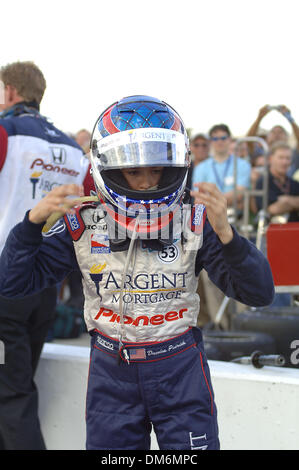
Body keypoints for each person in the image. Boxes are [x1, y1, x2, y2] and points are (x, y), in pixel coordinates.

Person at [0, 95, 274, 450]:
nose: (146, 182)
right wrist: (30, 226)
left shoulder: (196, 220)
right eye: (134, 170)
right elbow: (12, 283)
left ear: (176, 166)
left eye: (156, 169)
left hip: (180, 367)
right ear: (109, 167)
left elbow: (259, 294)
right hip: (111, 371)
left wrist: (229, 236)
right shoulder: (81, 224)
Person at [0, 61, 90, 450]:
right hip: (44, 290)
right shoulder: (74, 149)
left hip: (5, 284)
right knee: (14, 387)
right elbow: (89, 211)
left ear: (9, 92)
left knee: (10, 395)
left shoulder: (5, 132)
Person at [192, 124, 251, 209]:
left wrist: (211, 200)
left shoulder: (243, 165)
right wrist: (227, 199)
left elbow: (239, 194)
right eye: (215, 139)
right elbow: (198, 197)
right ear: (211, 142)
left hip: (235, 217)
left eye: (223, 138)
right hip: (209, 216)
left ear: (230, 139)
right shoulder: (201, 167)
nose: (219, 141)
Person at [247, 105, 299, 176]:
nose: (277, 134)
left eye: (281, 132)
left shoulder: (291, 154)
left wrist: (290, 119)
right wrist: (259, 117)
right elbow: (249, 140)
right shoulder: (260, 152)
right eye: (273, 132)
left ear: (287, 138)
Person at [255, 142, 299, 223]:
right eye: (281, 158)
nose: (285, 162)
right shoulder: (263, 182)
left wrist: (285, 200)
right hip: (270, 231)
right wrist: (294, 203)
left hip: (294, 230)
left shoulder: (294, 183)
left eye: (288, 158)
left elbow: (281, 205)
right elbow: (272, 209)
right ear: (270, 159)